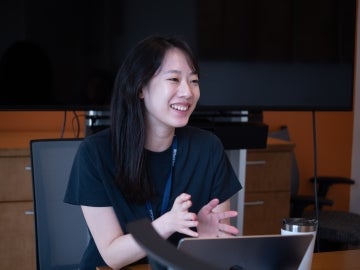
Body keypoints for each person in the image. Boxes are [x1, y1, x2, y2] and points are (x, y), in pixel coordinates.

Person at [64, 35, 242, 270]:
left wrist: (204, 240)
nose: (187, 92)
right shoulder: (95, 154)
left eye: (194, 81)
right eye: (174, 79)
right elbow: (112, 255)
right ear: (140, 88)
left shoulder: (208, 149)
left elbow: (218, 250)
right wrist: (168, 223)